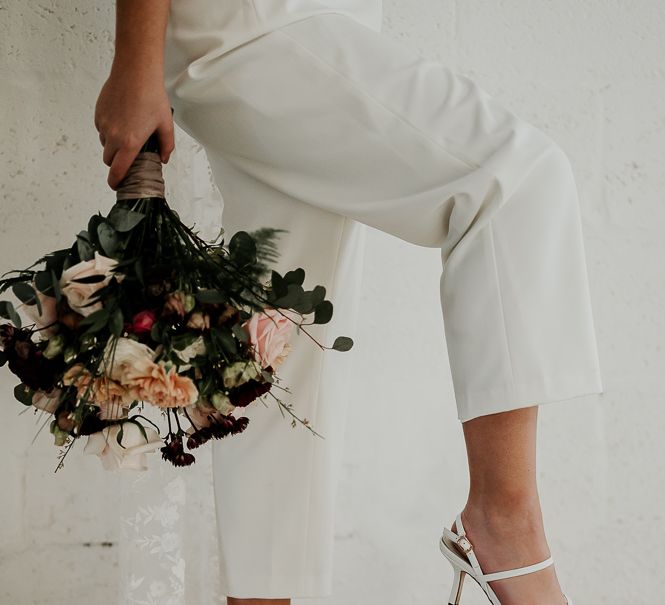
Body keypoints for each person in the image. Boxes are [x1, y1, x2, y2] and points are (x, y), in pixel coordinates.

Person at [95, 1, 604, 604]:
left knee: (277, 353)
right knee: (517, 179)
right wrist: (134, 58)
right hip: (256, 21)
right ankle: (503, 522)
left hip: (315, 19)